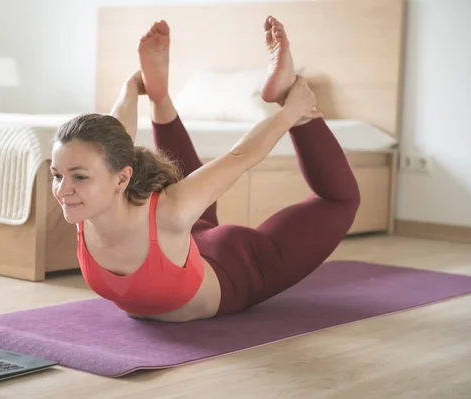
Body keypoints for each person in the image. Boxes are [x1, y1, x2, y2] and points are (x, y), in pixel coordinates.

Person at [50, 17, 360, 322]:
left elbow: (240, 156)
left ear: (122, 178)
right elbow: (115, 138)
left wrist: (293, 110)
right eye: (57, 175)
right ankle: (161, 99)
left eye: (79, 176)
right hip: (188, 239)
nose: (63, 190)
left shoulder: (168, 212)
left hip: (237, 266)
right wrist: (133, 86)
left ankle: (290, 93)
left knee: (341, 201)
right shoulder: (84, 205)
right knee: (183, 209)